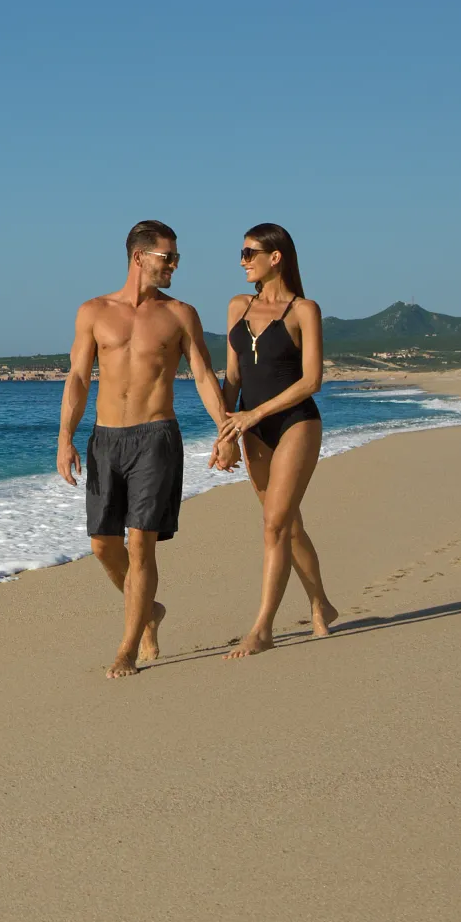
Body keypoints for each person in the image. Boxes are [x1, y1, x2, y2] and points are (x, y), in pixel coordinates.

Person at [57, 220, 233, 678]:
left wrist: (225, 431)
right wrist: (65, 439)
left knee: (140, 543)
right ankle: (148, 610)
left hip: (156, 438)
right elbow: (77, 378)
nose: (174, 265)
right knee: (102, 546)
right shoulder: (93, 312)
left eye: (176, 258)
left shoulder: (180, 314)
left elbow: (201, 375)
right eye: (167, 257)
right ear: (139, 257)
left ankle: (128, 647)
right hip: (105, 439)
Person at [216, 222, 340, 658]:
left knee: (274, 525)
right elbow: (231, 378)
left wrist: (255, 414)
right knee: (289, 526)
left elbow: (312, 381)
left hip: (295, 424)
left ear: (276, 257)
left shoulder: (304, 310)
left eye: (250, 252)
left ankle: (263, 627)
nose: (242, 260)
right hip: (252, 431)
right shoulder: (237, 306)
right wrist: (226, 432)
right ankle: (321, 603)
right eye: (242, 252)